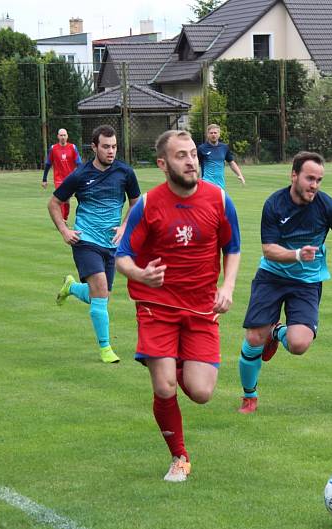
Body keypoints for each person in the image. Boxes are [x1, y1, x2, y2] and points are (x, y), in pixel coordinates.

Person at [115, 129, 241, 482]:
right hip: (157, 306)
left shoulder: (218, 199)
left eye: (192, 155)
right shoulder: (147, 204)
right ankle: (180, 457)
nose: (191, 162)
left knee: (201, 392)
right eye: (181, 156)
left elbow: (232, 248)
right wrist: (142, 275)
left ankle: (172, 359)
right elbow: (121, 257)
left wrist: (227, 287)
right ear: (163, 164)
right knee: (165, 386)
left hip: (202, 307)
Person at [237, 151, 332, 414]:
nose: (314, 185)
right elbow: (268, 249)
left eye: (319, 180)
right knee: (253, 337)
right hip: (271, 276)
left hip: (306, 281)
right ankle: (250, 396)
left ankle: (277, 332)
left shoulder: (328, 206)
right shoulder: (274, 204)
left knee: (298, 344)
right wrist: (296, 255)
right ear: (294, 175)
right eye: (310, 178)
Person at [50, 125, 141, 364]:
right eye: (106, 147)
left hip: (111, 244)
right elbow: (53, 203)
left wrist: (123, 228)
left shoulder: (125, 173)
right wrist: (64, 230)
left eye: (114, 147)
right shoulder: (81, 175)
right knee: (100, 288)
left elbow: (136, 204)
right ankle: (106, 348)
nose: (111, 151)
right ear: (94, 147)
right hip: (85, 240)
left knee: (100, 296)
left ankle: (71, 287)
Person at [42, 128, 83, 221]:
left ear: (67, 136)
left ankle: (65, 217)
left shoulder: (72, 147)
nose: (63, 137)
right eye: (61, 135)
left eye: (64, 135)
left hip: (70, 179)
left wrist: (81, 176)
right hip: (58, 179)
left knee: (67, 200)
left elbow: (79, 163)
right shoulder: (53, 148)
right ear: (58, 136)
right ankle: (62, 219)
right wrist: (44, 179)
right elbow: (48, 164)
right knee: (61, 199)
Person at [196, 124, 245, 190]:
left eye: (215, 133)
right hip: (206, 184)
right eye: (211, 133)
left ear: (219, 134)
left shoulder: (224, 147)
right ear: (207, 135)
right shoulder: (201, 148)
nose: (213, 135)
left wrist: (240, 175)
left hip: (221, 185)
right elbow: (195, 164)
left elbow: (231, 162)